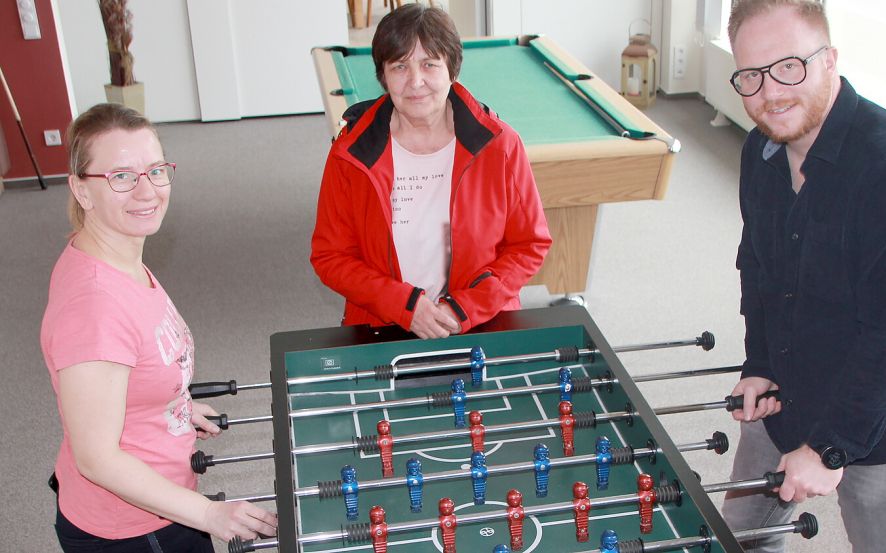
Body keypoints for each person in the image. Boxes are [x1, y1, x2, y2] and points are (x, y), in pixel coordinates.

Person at [721, 2, 886, 552]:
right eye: (751, 76)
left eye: (790, 66)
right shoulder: (759, 151)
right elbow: (757, 269)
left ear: (830, 60)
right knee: (738, 539)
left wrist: (831, 448)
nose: (770, 93)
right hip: (789, 388)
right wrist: (758, 364)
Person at [41, 103, 277, 551]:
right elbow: (97, 459)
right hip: (132, 528)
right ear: (81, 190)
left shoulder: (115, 254)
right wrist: (209, 513)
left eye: (155, 170)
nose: (147, 191)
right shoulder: (93, 307)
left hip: (159, 500)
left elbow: (131, 369)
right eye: (121, 177)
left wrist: (171, 406)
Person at [310, 4, 551, 339]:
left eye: (429, 64)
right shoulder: (351, 154)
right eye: (400, 66)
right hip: (383, 324)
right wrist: (404, 307)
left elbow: (529, 244)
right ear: (383, 75)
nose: (415, 81)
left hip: (481, 322)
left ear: (452, 71)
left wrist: (465, 307)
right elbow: (330, 256)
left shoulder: (501, 145)